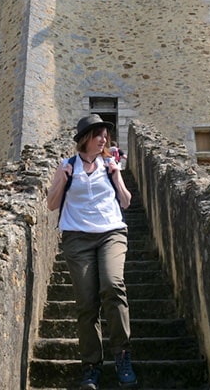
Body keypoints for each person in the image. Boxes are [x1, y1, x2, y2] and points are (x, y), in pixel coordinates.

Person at [46, 114, 138, 390]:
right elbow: (51, 204)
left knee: (112, 285)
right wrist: (62, 180)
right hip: (77, 238)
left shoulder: (110, 164)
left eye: (105, 135)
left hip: (111, 233)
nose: (104, 139)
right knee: (86, 303)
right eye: (99, 134)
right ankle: (91, 366)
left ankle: (122, 356)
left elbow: (126, 201)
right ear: (86, 138)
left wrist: (117, 175)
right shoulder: (66, 165)